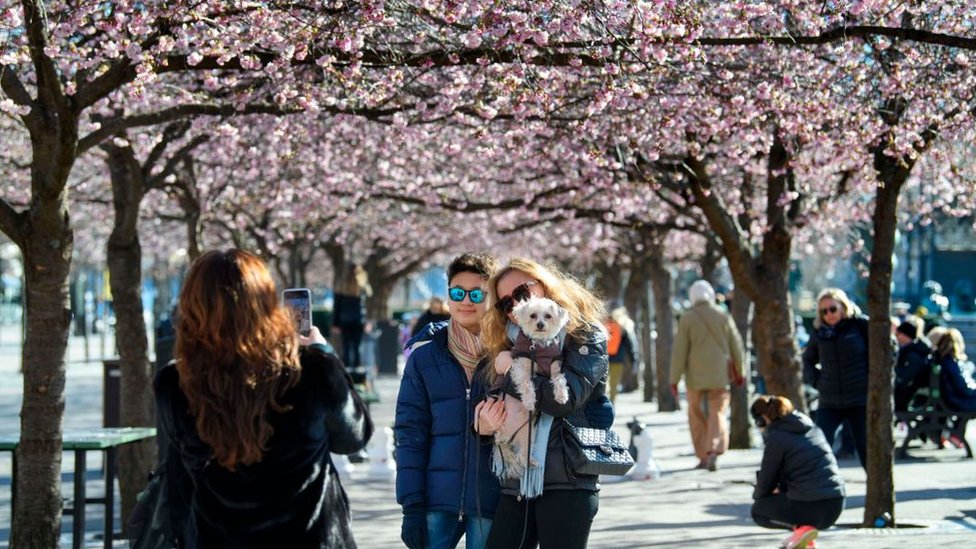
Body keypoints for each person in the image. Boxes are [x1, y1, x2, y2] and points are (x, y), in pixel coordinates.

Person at [154, 249, 373, 547]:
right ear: (266, 304)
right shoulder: (310, 370)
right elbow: (353, 438)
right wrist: (325, 355)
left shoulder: (175, 384)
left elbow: (184, 473)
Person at [476, 257, 612, 549]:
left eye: (523, 292)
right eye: (505, 303)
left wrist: (512, 371)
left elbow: (564, 400)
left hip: (568, 478)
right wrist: (482, 424)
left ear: (545, 285)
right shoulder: (509, 343)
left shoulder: (585, 336)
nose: (515, 305)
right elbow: (490, 403)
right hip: (517, 478)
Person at [395, 252, 502, 549]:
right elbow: (409, 432)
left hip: (490, 499)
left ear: (490, 297)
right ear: (448, 296)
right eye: (458, 292)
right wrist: (412, 504)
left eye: (477, 293)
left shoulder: (508, 355)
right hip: (435, 500)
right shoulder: (424, 356)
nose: (466, 300)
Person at [750, 395, 845, 549]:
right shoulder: (812, 427)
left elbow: (766, 481)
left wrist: (759, 493)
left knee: (759, 511)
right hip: (836, 504)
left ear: (763, 419)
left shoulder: (777, 437)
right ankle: (806, 538)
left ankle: (803, 530)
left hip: (811, 505)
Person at [669, 279, 745, 472]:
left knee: (696, 414)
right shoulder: (723, 315)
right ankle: (714, 449)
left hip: (695, 376)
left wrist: (674, 379)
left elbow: (680, 351)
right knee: (717, 411)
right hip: (720, 375)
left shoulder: (687, 318)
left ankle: (703, 456)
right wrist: (741, 370)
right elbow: (737, 346)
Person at [802, 288, 870, 469]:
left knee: (866, 447)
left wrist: (869, 381)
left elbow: (886, 349)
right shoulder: (820, 333)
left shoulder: (860, 325)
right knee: (819, 444)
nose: (829, 315)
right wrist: (818, 382)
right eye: (823, 311)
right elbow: (808, 360)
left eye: (832, 309)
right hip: (830, 399)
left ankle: (876, 490)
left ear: (843, 307)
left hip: (859, 398)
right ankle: (818, 487)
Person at [332, 264, 370, 369]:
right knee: (357, 347)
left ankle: (347, 370)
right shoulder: (362, 287)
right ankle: (357, 370)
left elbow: (337, 307)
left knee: (346, 347)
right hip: (358, 321)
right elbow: (364, 308)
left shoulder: (341, 287)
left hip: (344, 321)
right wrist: (366, 321)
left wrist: (335, 323)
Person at [933, 328, 976, 413]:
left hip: (953, 400)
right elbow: (965, 389)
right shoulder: (950, 362)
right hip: (957, 402)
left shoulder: (942, 360)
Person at [893, 320, 932, 413]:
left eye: (898, 333)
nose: (896, 337)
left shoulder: (913, 355)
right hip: (912, 395)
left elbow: (903, 379)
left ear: (905, 335)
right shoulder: (916, 351)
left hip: (909, 398)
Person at [605, 304, 639, 402]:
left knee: (603, 382)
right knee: (614, 383)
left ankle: (602, 403)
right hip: (617, 359)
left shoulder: (605, 323)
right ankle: (611, 403)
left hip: (603, 357)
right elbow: (630, 344)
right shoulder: (624, 325)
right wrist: (633, 360)